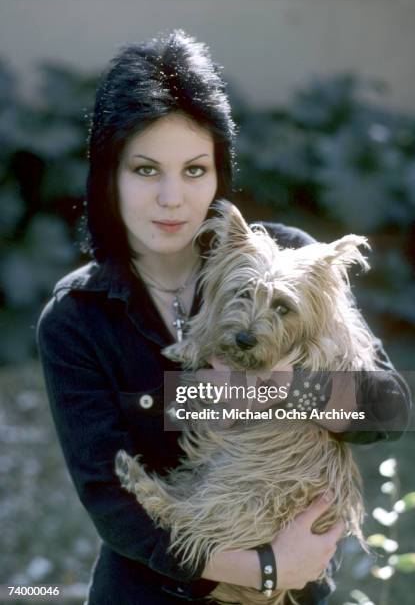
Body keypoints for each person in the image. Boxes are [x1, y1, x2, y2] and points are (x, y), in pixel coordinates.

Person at [36, 30, 411, 605]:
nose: (172, 198)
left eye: (194, 170)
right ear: (108, 174)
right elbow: (111, 501)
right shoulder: (77, 318)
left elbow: (386, 409)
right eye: (144, 170)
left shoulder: (285, 259)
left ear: (219, 173)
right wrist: (262, 569)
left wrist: (269, 390)